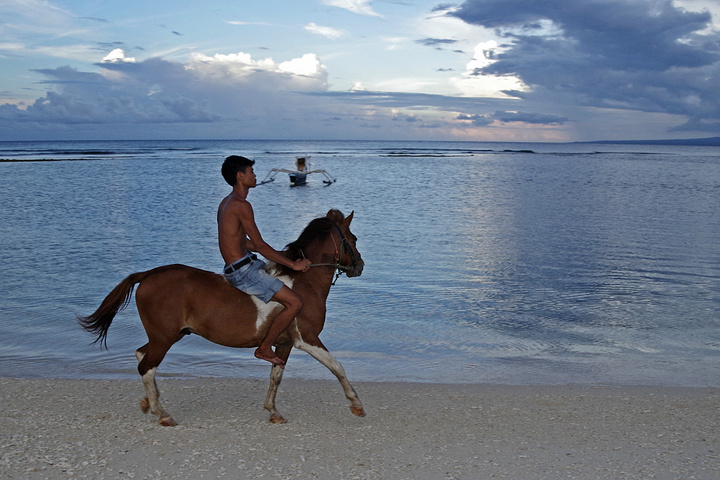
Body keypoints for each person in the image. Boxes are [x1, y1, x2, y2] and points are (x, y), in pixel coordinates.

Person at [218, 155, 311, 366]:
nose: (255, 175)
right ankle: (265, 347)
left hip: (242, 264)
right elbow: (259, 245)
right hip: (244, 272)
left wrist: (278, 254)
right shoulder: (242, 205)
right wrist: (294, 264)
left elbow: (242, 241)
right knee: (295, 302)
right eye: (251, 172)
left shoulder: (226, 202)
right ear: (240, 176)